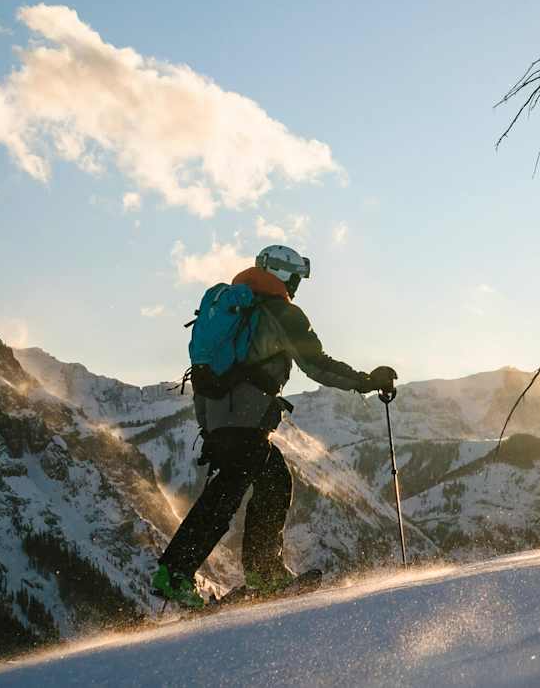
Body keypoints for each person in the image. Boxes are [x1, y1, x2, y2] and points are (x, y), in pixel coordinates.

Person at [152, 244, 398, 608]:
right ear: (284, 274)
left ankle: (254, 570)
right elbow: (317, 364)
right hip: (244, 418)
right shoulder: (281, 312)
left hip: (217, 417)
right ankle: (182, 572)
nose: (297, 286)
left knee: (269, 478)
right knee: (232, 491)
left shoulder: (232, 308)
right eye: (296, 277)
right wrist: (366, 381)